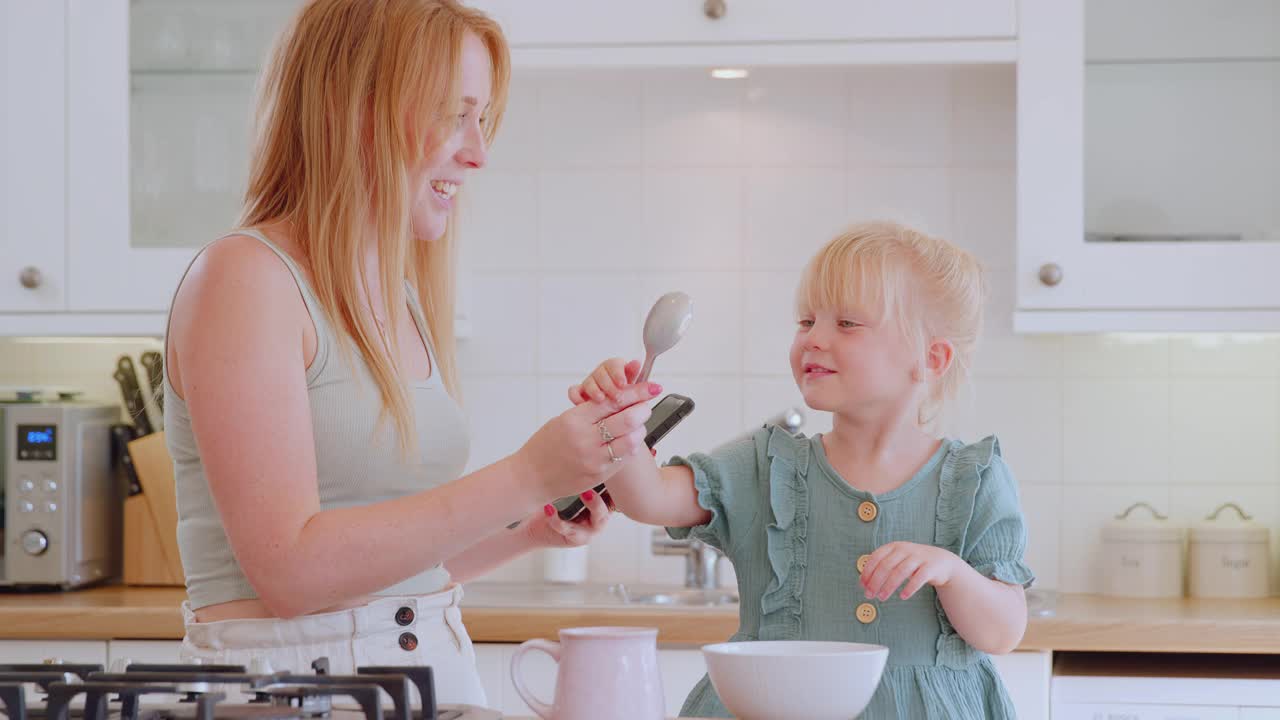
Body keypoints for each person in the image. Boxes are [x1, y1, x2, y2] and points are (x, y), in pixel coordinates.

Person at [162, 0, 658, 704]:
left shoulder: (398, 292)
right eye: (453, 115)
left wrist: (529, 527)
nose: (478, 151)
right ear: (354, 109)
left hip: (422, 673)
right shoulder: (245, 279)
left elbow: (386, 566)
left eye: (481, 118)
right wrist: (523, 473)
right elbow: (291, 573)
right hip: (290, 692)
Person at [572, 220, 1034, 718]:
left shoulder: (974, 478)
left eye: (847, 324)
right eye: (806, 321)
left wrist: (953, 573)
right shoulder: (767, 465)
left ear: (930, 358)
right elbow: (649, 498)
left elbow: (1002, 632)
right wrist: (615, 424)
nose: (814, 339)